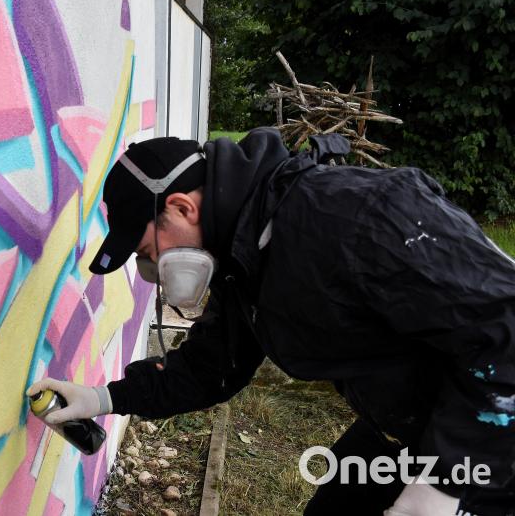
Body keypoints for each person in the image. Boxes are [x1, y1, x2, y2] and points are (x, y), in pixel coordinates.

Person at [26, 128, 515, 515]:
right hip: (403, 433)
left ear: (181, 207)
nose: (156, 273)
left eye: (151, 253)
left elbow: (504, 330)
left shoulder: (352, 215)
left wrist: (444, 484)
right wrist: (103, 397)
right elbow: (209, 368)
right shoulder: (245, 257)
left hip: (490, 443)